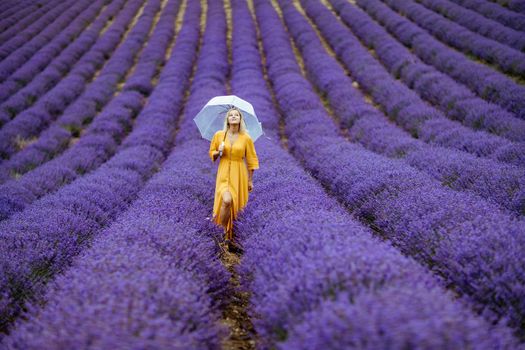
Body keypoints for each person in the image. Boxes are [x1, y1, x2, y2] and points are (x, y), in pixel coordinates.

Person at [209, 107, 259, 252]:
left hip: (239, 174)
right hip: (223, 173)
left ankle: (230, 239)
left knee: (236, 206)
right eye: (231, 115)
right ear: (227, 119)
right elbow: (211, 153)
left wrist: (250, 180)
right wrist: (219, 151)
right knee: (226, 200)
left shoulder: (246, 138)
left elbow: (252, 160)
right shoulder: (219, 135)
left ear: (240, 119)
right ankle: (222, 232)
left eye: (236, 115)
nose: (233, 117)